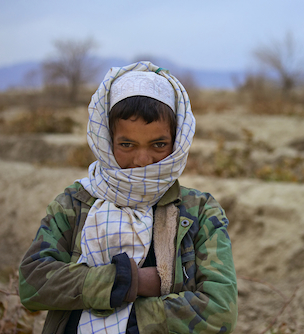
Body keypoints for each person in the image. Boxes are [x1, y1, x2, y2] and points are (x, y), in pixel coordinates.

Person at [18, 61, 238, 334]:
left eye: (159, 144)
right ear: (106, 141)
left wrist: (125, 321)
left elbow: (220, 312)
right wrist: (128, 281)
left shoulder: (199, 212)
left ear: (177, 140)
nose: (142, 160)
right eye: (127, 145)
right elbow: (32, 284)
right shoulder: (76, 203)